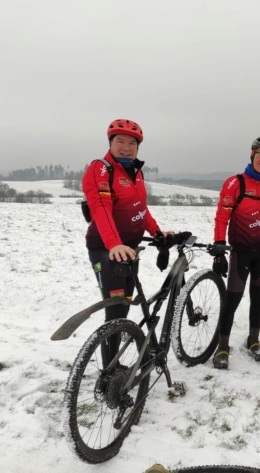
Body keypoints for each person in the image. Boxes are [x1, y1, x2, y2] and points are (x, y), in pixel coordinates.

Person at [82, 119, 174, 367]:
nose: (126, 147)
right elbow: (100, 208)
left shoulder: (136, 171)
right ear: (110, 143)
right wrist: (113, 244)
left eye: (132, 143)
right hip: (106, 249)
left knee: (125, 303)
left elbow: (140, 209)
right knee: (115, 310)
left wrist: (157, 232)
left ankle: (116, 354)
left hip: (129, 250)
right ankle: (110, 372)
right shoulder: (100, 169)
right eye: (120, 141)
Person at [211, 136, 260, 370]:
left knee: (258, 299)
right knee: (232, 300)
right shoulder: (235, 184)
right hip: (240, 252)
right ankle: (222, 346)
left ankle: (253, 341)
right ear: (252, 155)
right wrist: (218, 248)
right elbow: (221, 217)